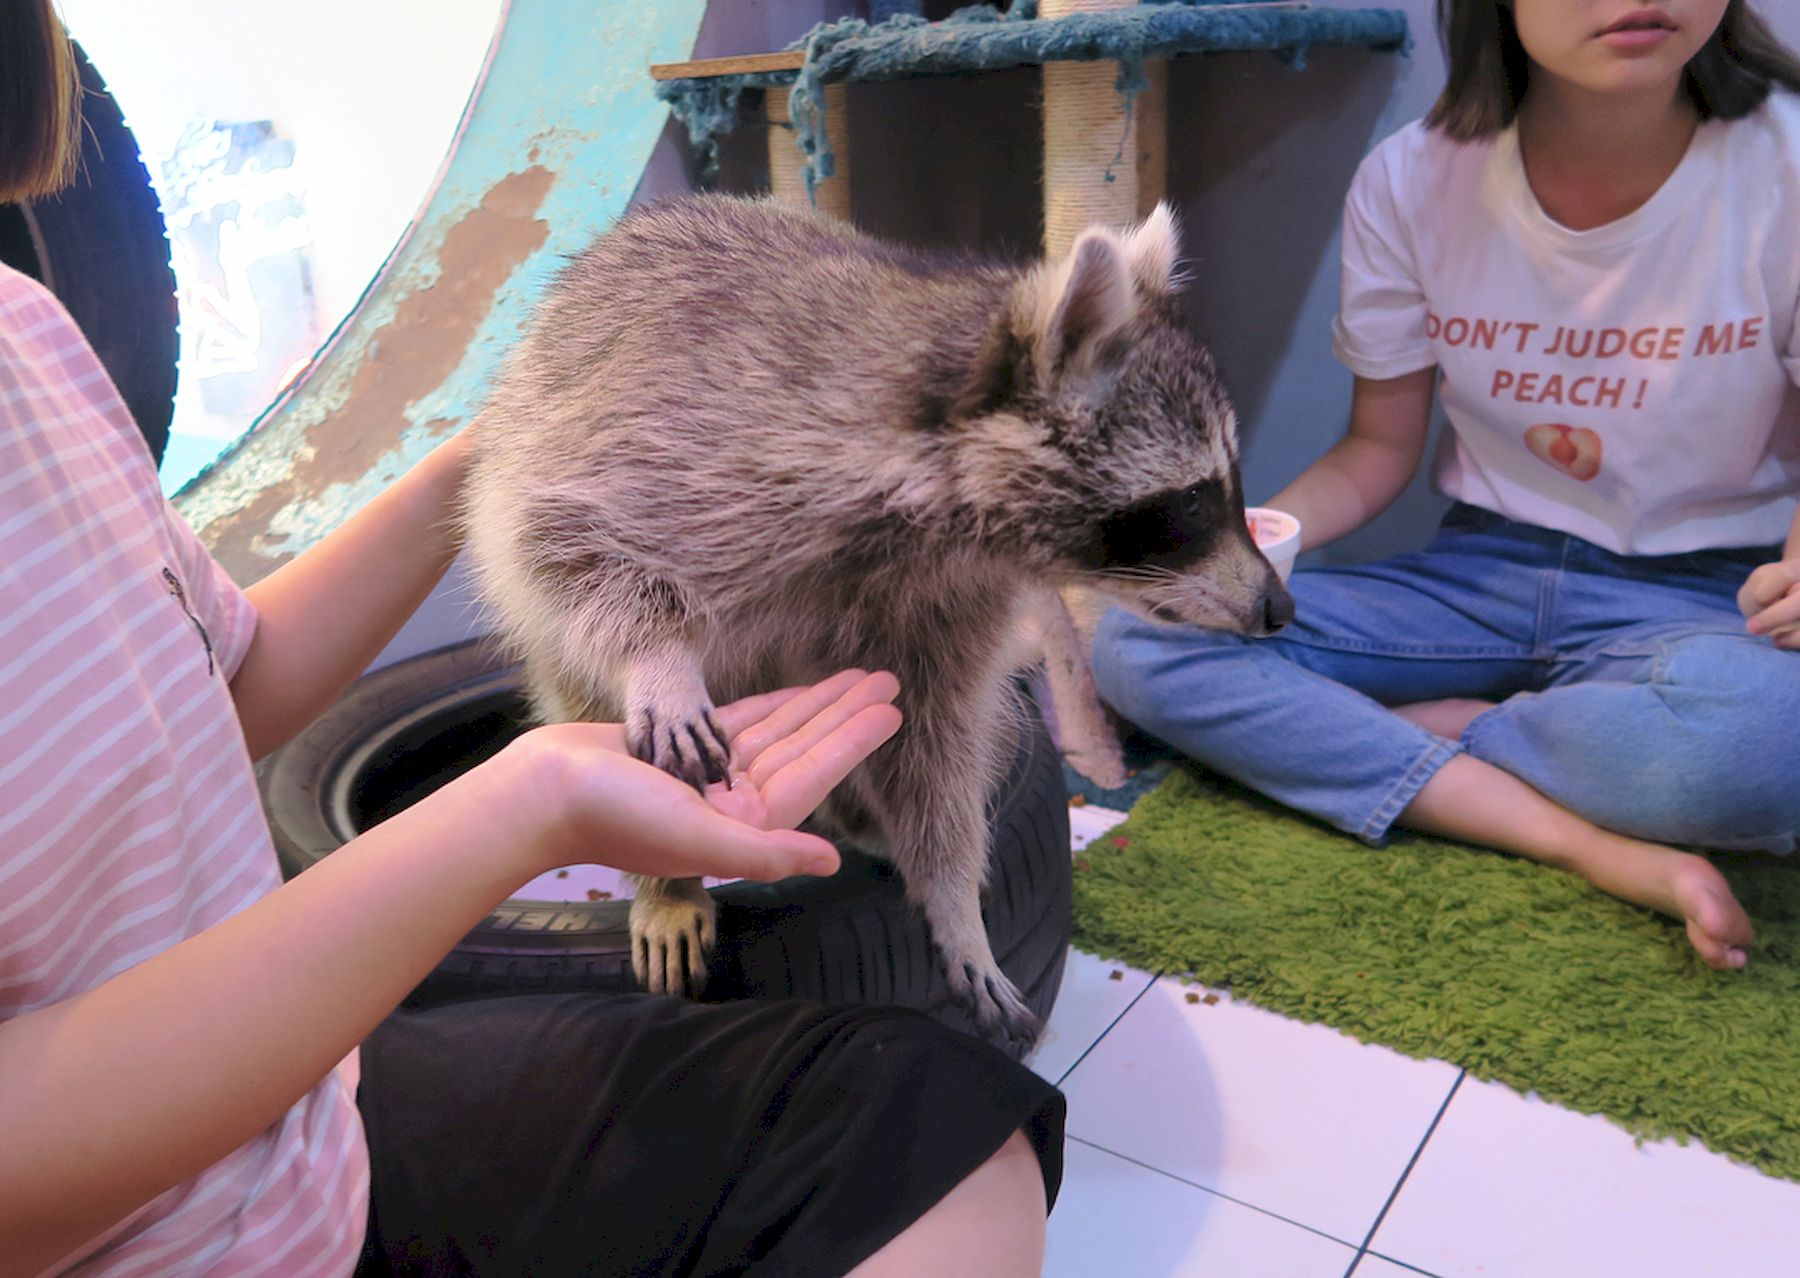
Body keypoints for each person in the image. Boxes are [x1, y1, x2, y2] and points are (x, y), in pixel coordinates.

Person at [0, 5, 1062, 1274]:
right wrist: (522, 809)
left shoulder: (31, 331)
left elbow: (216, 693)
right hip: (157, 1237)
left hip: (310, 1134)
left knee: (950, 1132)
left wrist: (547, 424)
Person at [1094, 0, 1800, 972]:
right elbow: (1377, 449)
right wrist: (1243, 547)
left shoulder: (1783, 164)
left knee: (1767, 743)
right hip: (1479, 578)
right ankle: (1577, 837)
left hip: (1705, 598)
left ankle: (1463, 730)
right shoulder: (1412, 178)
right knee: (1145, 637)